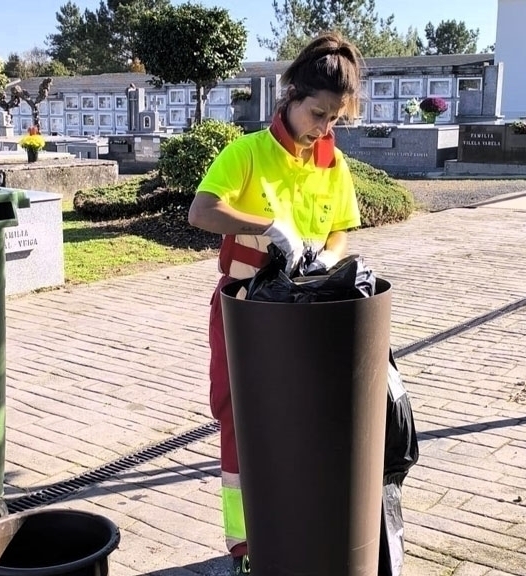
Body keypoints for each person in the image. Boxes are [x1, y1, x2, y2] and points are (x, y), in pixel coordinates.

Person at [187, 31, 365, 576]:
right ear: (290, 94)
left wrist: (324, 258)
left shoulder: (333, 165)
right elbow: (202, 212)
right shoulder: (246, 153)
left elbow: (341, 231)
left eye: (335, 118)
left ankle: (303, 525)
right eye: (318, 113)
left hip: (307, 313)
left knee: (307, 421)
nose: (325, 128)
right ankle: (247, 546)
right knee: (240, 419)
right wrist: (269, 228)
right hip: (244, 310)